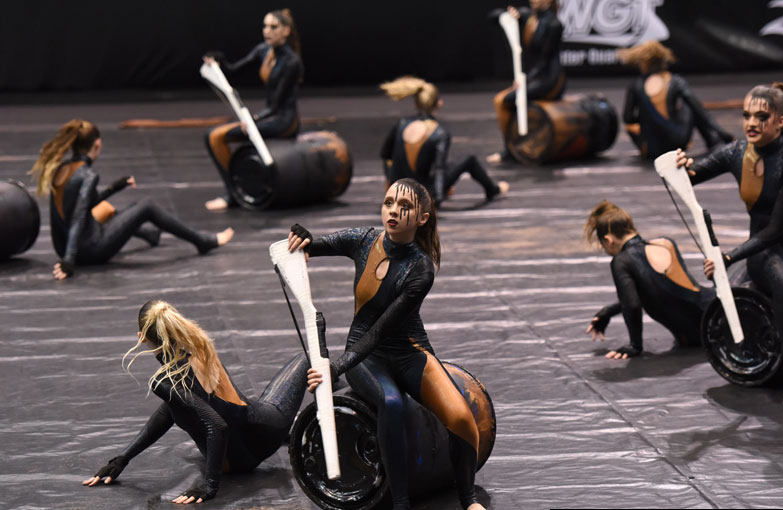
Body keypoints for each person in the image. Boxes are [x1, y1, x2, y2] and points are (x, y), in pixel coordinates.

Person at [288, 178, 485, 510]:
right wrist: (302, 238)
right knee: (391, 403)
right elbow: (313, 245)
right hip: (368, 359)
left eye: (404, 207)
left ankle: (468, 498)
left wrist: (334, 366)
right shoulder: (364, 240)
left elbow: (382, 330)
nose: (393, 211)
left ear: (422, 217)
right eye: (389, 202)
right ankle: (401, 503)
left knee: (463, 419)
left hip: (408, 351)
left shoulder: (421, 268)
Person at [677, 82, 783, 403]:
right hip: (768, 249)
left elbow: (778, 227)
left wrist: (728, 257)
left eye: (761, 116)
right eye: (746, 115)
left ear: (781, 121)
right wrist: (680, 166)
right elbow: (692, 176)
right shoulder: (736, 152)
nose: (751, 123)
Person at [82, 300, 310, 504]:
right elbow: (178, 414)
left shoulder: (165, 380)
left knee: (191, 407)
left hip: (234, 461)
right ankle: (327, 406)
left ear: (141, 337)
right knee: (306, 359)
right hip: (266, 432)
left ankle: (306, 422)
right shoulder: (201, 347)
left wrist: (211, 483)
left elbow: (213, 424)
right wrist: (123, 458)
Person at [29, 120, 233, 280]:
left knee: (107, 209)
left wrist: (115, 187)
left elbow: (85, 206)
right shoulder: (88, 175)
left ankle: (150, 234)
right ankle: (203, 241)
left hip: (62, 244)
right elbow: (78, 216)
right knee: (147, 206)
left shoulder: (62, 168)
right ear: (97, 144)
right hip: (89, 252)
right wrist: (69, 261)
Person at [584, 201, 715, 359]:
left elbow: (632, 305)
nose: (606, 251)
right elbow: (660, 292)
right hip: (717, 309)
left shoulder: (622, 261)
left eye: (603, 247)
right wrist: (608, 312)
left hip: (703, 336)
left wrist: (635, 346)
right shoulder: (665, 243)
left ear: (608, 240)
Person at [203, 8, 303, 211]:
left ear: (285, 31)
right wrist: (218, 59)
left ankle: (232, 195)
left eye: (273, 27)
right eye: (265, 26)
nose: (267, 31)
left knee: (216, 137)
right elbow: (233, 71)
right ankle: (235, 190)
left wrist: (254, 120)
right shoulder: (263, 51)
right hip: (269, 115)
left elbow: (276, 106)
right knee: (212, 137)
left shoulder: (292, 62)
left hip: (284, 120)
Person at [380, 76, 508, 207]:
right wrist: (438, 196)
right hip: (421, 193)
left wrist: (391, 183)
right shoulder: (439, 132)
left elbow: (385, 155)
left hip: (398, 191)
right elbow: (439, 168)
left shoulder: (401, 124)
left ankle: (396, 189)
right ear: (439, 104)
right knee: (469, 160)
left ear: (416, 104)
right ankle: (493, 190)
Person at [618, 40, 733, 159]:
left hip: (651, 149)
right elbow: (699, 110)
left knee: (633, 127)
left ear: (644, 63)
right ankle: (711, 141)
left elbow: (628, 118)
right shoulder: (675, 81)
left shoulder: (636, 85)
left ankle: (646, 145)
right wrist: (722, 133)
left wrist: (644, 116)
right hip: (676, 146)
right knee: (689, 105)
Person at [487, 0, 566, 164]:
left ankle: (510, 151)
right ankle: (512, 147)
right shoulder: (529, 16)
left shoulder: (554, 24)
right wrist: (507, 16)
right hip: (534, 77)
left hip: (550, 79)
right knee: (501, 100)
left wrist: (524, 81)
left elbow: (544, 61)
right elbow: (492, 17)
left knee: (504, 100)